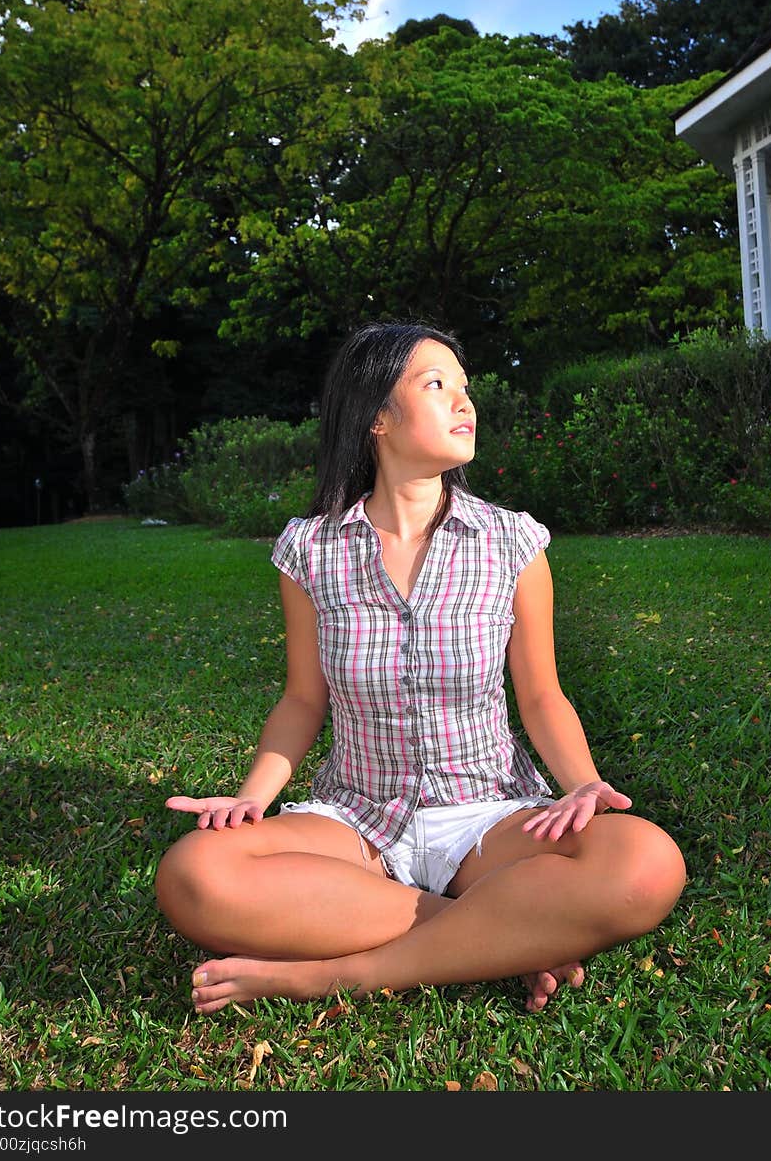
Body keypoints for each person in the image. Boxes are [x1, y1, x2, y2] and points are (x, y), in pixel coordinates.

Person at [156, 320, 686, 1015]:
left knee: (646, 863)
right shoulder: (310, 550)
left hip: (490, 815)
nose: (466, 403)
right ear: (377, 415)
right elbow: (301, 700)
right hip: (356, 819)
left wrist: (582, 782)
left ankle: (330, 974)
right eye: (438, 385)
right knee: (194, 873)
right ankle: (500, 935)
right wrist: (253, 795)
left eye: (466, 388)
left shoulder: (511, 542)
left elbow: (542, 694)